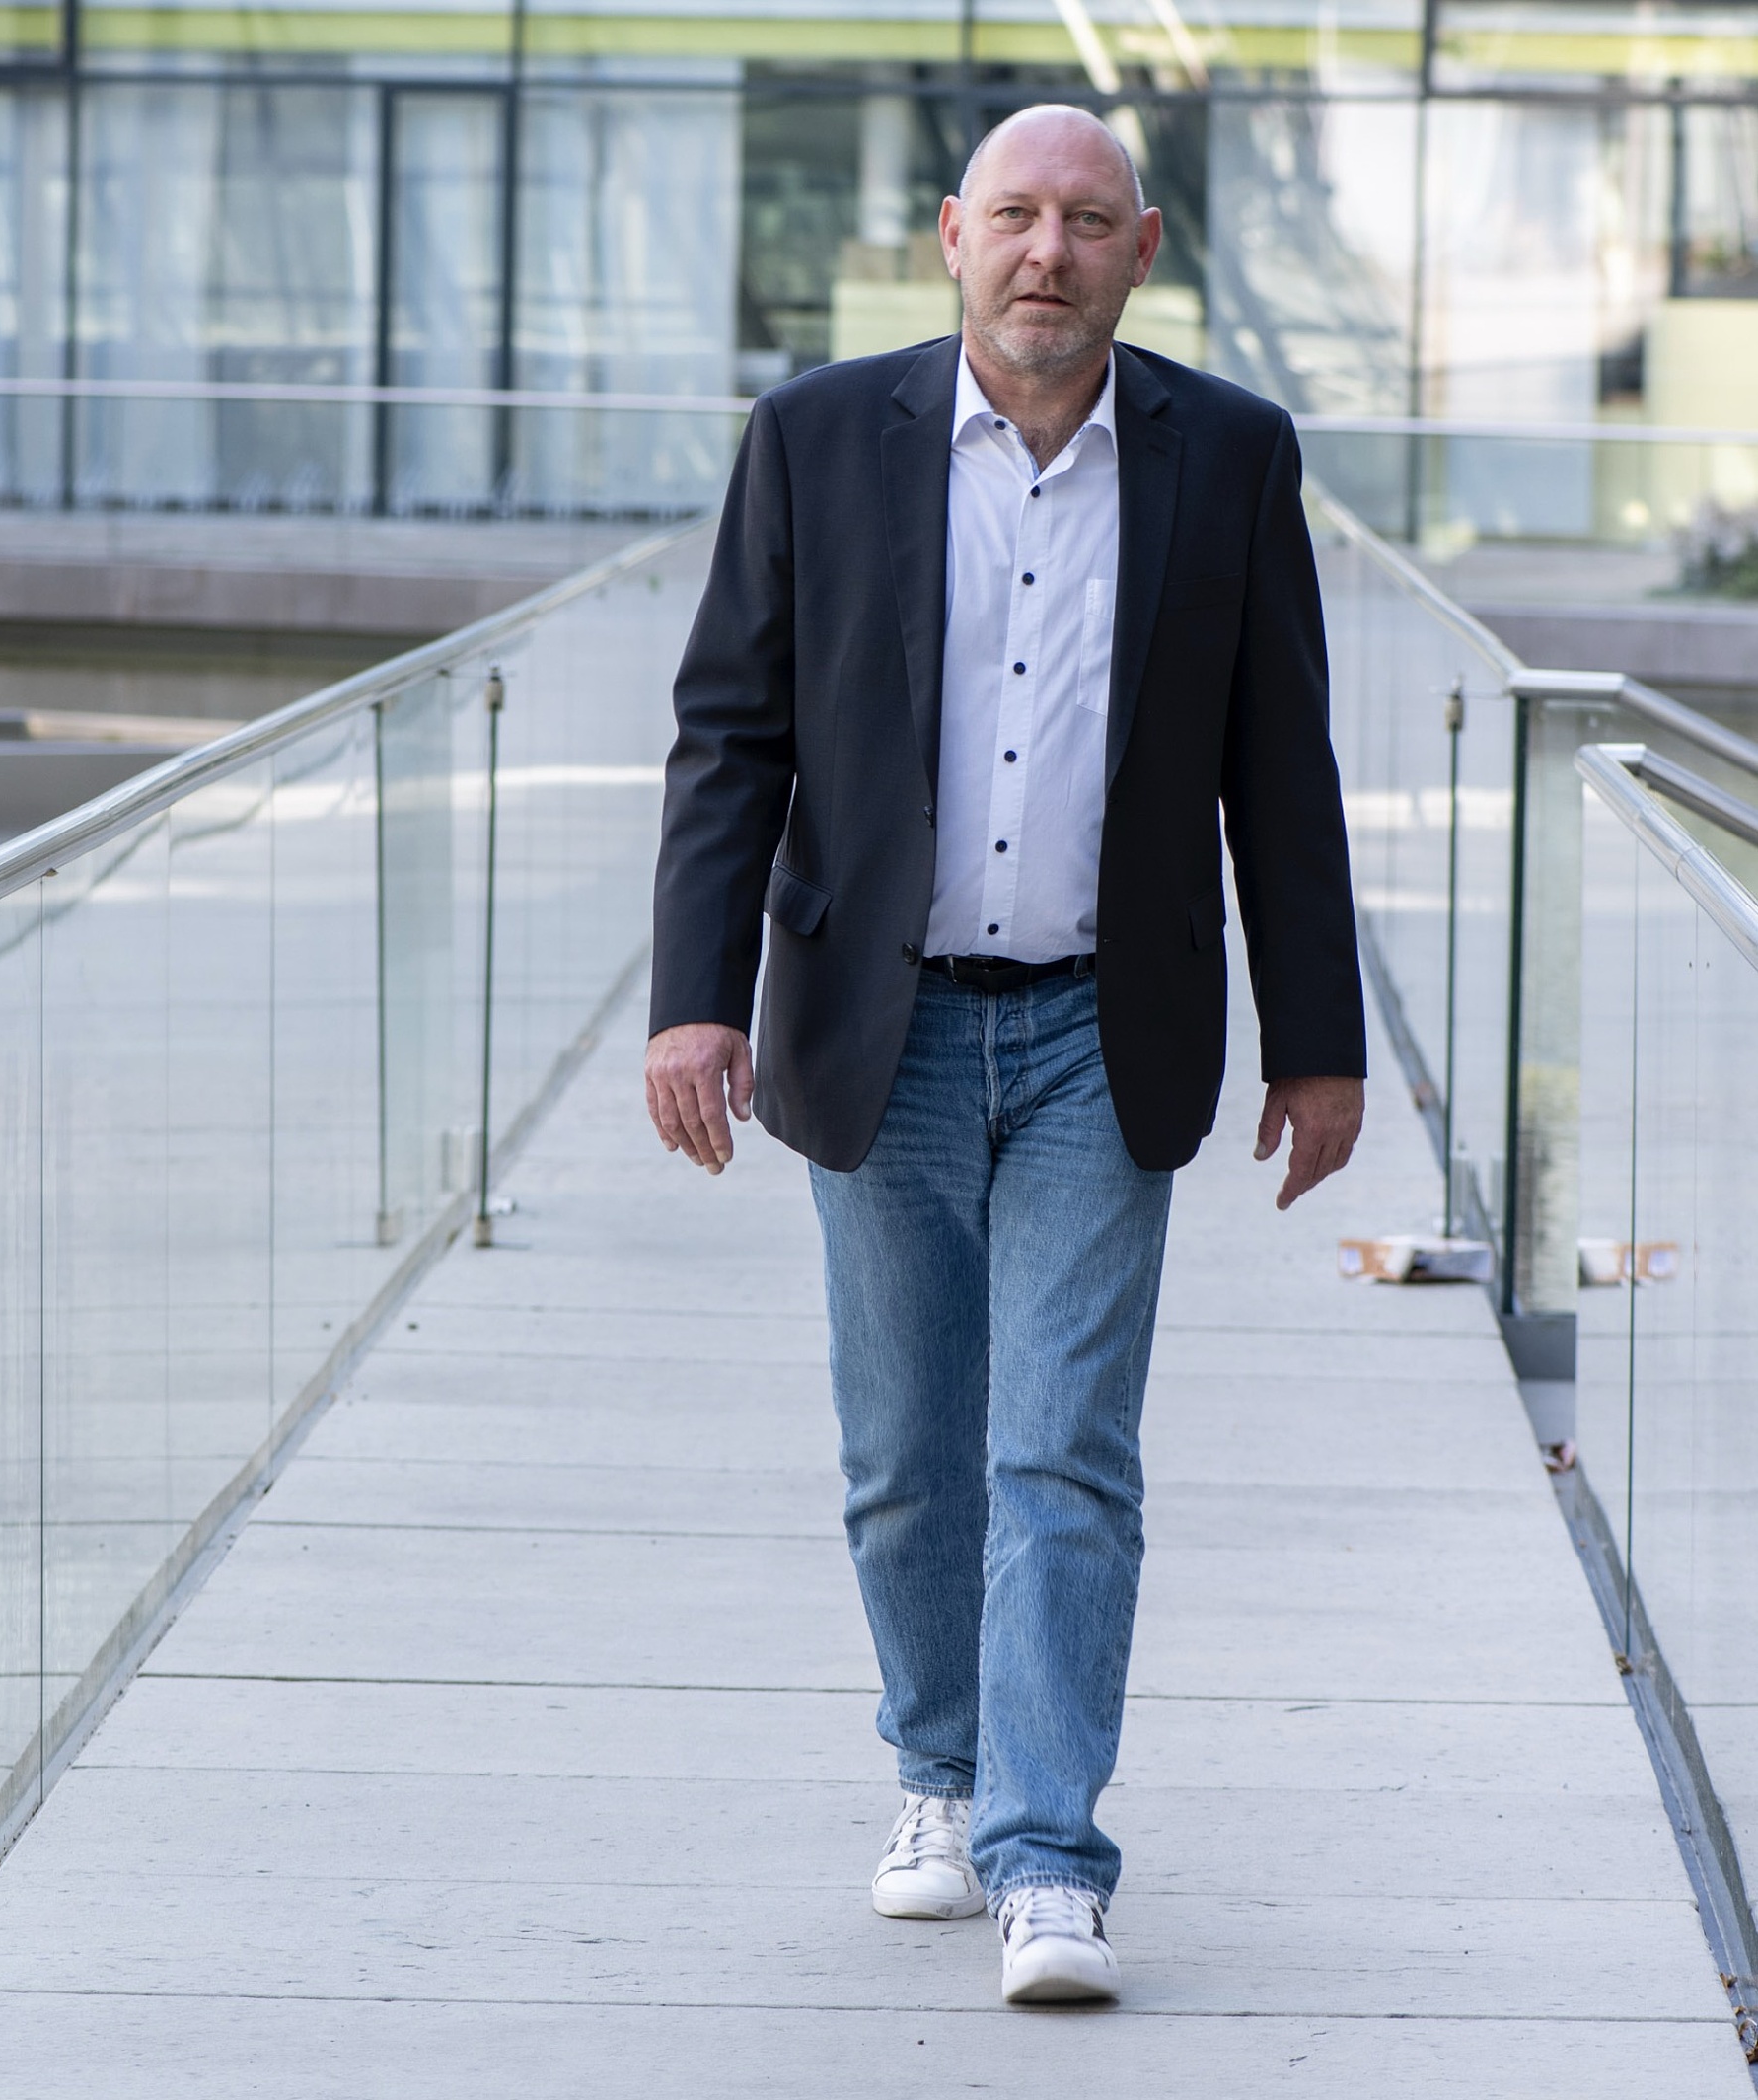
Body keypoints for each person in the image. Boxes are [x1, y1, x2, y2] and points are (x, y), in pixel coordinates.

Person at [644, 103, 1365, 2007]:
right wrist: (691, 998)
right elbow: (732, 736)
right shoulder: (813, 440)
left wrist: (1322, 1043)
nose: (1048, 252)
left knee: (1064, 1448)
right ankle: (936, 1774)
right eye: (1016, 218)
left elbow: (1280, 770)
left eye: (1089, 222)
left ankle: (1054, 1856)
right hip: (871, 1031)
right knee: (905, 1457)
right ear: (953, 236)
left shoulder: (1228, 456)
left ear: (1143, 252)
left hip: (1093, 1029)